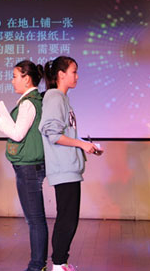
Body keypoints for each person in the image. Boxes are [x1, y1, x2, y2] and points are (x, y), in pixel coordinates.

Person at [39, 56, 102, 271]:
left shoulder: (62, 99)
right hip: (63, 167)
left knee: (68, 218)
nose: (77, 76)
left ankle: (61, 262)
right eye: (73, 72)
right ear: (61, 74)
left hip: (69, 167)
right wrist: (81, 144)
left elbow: (64, 133)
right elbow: (53, 134)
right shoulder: (54, 97)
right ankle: (58, 264)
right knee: (67, 218)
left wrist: (85, 145)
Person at [0, 60, 48, 271]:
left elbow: (17, 134)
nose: (12, 81)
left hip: (29, 167)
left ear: (26, 78)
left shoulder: (28, 103)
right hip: (31, 166)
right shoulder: (34, 100)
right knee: (36, 219)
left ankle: (37, 266)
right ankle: (38, 264)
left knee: (35, 220)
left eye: (15, 76)